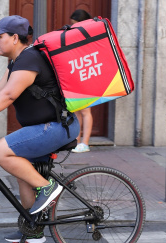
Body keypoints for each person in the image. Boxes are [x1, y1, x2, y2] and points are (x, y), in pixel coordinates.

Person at [0, 15, 79, 243]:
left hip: (56, 127)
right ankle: (34, 229)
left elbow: (9, 95)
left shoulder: (30, 59)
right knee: (22, 171)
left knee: (1, 151)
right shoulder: (17, 61)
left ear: (14, 38)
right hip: (44, 127)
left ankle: (48, 187)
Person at [69, 9, 93, 153]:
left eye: (74, 24)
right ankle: (78, 141)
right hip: (79, 75)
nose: (72, 27)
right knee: (78, 110)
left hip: (87, 75)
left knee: (85, 110)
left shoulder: (88, 35)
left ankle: (85, 143)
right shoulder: (80, 36)